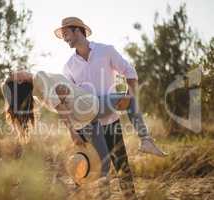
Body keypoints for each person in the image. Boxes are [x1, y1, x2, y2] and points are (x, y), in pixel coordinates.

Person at [54, 16, 167, 199]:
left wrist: (128, 94)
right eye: (63, 35)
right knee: (98, 169)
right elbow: (67, 102)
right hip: (89, 125)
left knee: (122, 166)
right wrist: (73, 131)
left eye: (66, 33)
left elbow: (130, 72)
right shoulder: (68, 67)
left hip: (111, 121)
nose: (64, 38)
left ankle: (131, 196)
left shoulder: (106, 51)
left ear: (78, 30)